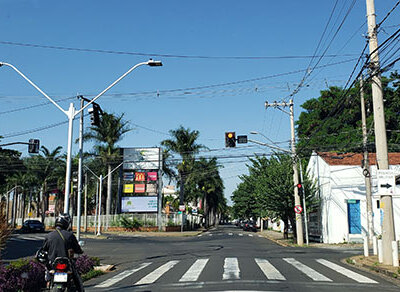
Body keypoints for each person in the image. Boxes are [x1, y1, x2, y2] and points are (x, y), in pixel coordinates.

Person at [42, 213, 84, 292]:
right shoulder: (70, 235)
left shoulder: (49, 236)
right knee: (77, 278)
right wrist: (79, 251)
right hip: (67, 263)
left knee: (47, 275)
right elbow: (77, 249)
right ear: (66, 223)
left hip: (52, 264)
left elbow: (44, 249)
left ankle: (48, 285)